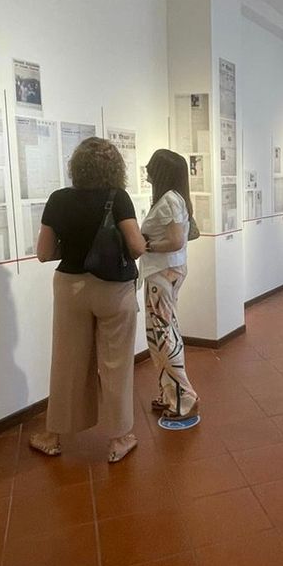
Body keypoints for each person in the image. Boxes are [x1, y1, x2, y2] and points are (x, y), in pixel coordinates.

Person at [30, 137, 146, 463]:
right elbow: (137, 247)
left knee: (66, 363)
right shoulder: (117, 197)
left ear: (76, 166)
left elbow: (43, 253)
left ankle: (53, 436)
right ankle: (119, 439)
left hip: (70, 289)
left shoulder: (58, 199)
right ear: (115, 168)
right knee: (116, 364)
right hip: (114, 290)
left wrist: (74, 249)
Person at [141, 149, 199, 421]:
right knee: (163, 331)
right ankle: (169, 393)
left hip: (162, 272)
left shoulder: (168, 200)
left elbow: (176, 240)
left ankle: (184, 397)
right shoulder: (176, 198)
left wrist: (146, 245)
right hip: (167, 272)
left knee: (163, 335)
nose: (147, 172)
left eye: (151, 167)